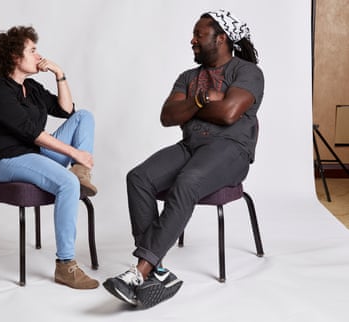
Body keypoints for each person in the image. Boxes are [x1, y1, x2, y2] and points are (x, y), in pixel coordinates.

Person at [103, 10, 264, 308]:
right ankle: (159, 270)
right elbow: (168, 116)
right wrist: (203, 99)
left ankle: (139, 272)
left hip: (231, 150)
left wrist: (191, 108)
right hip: (191, 146)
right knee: (138, 177)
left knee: (187, 181)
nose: (192, 40)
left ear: (222, 38)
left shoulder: (247, 72)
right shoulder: (188, 78)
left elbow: (229, 114)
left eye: (199, 35)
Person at [0, 26, 99, 289]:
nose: (38, 56)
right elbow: (32, 132)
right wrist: (73, 152)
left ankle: (81, 172)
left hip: (36, 157)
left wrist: (60, 74)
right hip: (9, 161)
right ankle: (65, 265)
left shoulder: (31, 88)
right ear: (14, 56)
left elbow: (66, 110)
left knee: (84, 117)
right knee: (67, 184)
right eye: (32, 50)